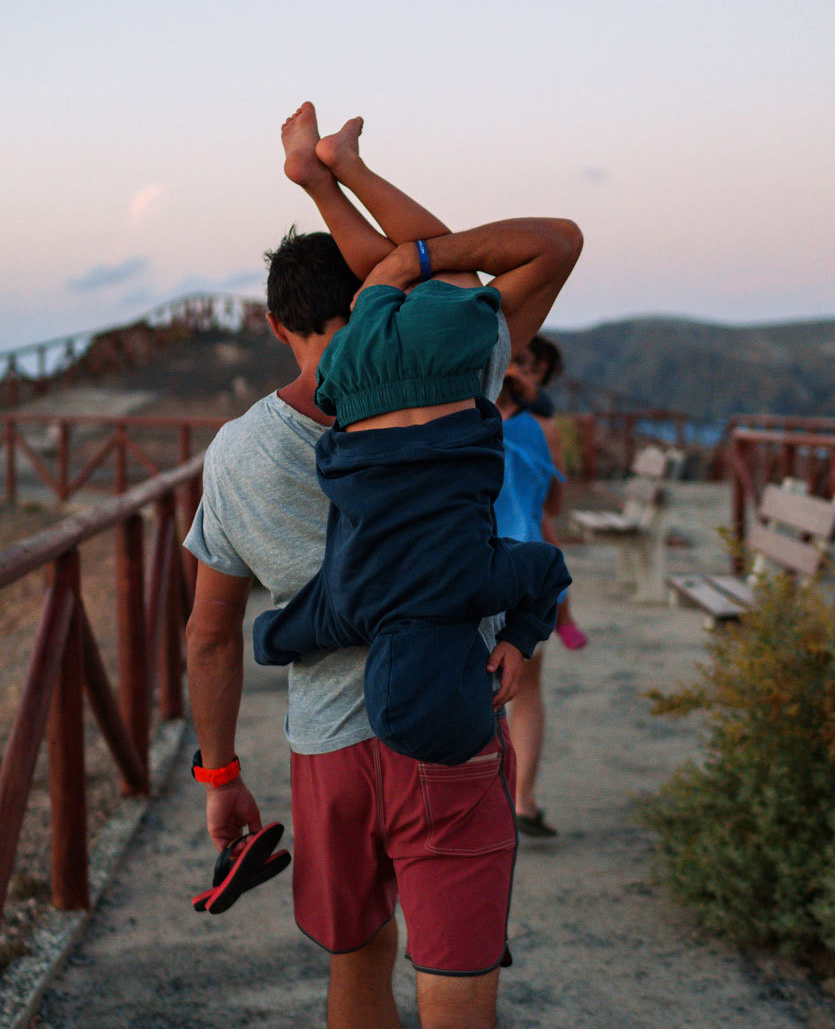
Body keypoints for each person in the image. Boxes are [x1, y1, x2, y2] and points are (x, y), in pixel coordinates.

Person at [183, 103, 582, 1029]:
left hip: (329, 750)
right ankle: (327, 174)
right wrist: (358, 199)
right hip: (448, 721)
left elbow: (210, 636)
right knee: (456, 984)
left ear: (276, 324)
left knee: (357, 962)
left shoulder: (236, 454)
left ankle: (323, 178)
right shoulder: (455, 378)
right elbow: (484, 265)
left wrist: (219, 774)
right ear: (373, 293)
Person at [492, 336, 579, 837]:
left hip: (475, 561)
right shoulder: (544, 427)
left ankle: (502, 797)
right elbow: (554, 504)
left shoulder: (460, 414)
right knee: (525, 689)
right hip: (527, 564)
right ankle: (522, 800)